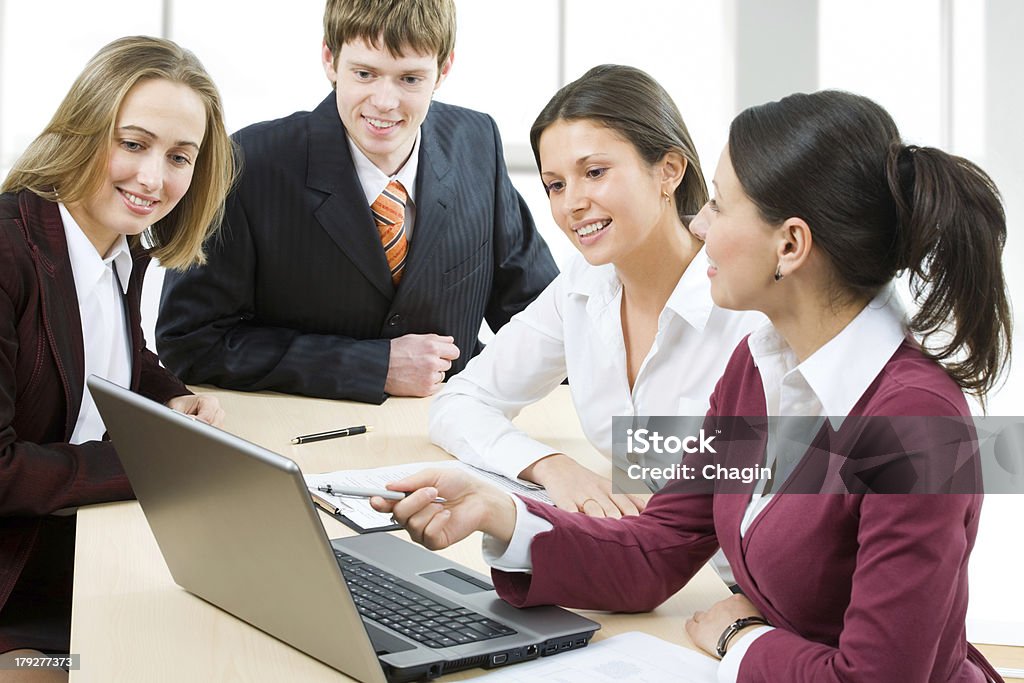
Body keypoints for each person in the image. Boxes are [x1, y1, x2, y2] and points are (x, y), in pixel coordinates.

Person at [374, 90, 1011, 681]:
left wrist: (742, 637)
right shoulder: (758, 368)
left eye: (722, 204)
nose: (700, 223)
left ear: (789, 245)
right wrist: (502, 512)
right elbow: (662, 543)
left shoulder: (913, 425)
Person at [155, 0, 558, 404]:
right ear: (330, 60)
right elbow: (190, 342)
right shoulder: (248, 161)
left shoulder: (478, 141)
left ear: (444, 69)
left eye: (410, 79)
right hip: (302, 435)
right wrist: (370, 365)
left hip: (455, 430)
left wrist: (622, 442)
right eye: (365, 73)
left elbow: (545, 319)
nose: (384, 101)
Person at [429, 64, 763, 516]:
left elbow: (845, 462)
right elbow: (461, 402)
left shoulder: (751, 300)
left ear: (669, 170)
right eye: (556, 185)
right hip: (646, 549)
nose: (572, 203)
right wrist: (550, 465)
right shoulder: (581, 289)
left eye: (595, 172)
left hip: (737, 566)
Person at [0, 36, 234, 669]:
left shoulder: (117, 248)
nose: (153, 179)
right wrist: (152, 461)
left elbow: (120, 353)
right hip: (15, 587)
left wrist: (173, 399)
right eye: (133, 144)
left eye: (180, 157)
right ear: (84, 129)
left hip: (79, 543)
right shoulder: (9, 253)